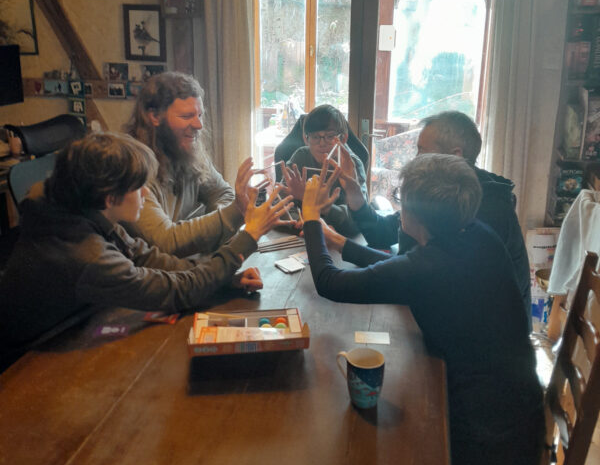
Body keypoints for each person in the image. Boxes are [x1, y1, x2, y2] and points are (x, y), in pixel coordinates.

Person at [301, 155, 545, 465]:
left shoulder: (431, 266)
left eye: (401, 199)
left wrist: (310, 218)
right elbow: (402, 271)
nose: (398, 206)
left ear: (416, 215)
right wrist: (338, 243)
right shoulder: (476, 235)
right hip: (515, 425)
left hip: (485, 462)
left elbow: (329, 283)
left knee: (358, 459)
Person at [0, 133, 293, 351]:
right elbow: (177, 292)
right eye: (139, 186)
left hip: (77, 322)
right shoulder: (86, 255)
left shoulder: (81, 209)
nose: (145, 195)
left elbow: (147, 258)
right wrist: (247, 237)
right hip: (27, 357)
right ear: (109, 197)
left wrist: (225, 279)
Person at [340, 111, 532, 326]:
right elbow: (383, 234)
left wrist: (335, 242)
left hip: (485, 335)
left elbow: (411, 273)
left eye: (422, 151)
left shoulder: (484, 209)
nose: (415, 159)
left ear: (455, 155)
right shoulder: (443, 192)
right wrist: (356, 199)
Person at [125, 71, 250, 257]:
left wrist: (217, 230)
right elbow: (165, 241)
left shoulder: (187, 151)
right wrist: (234, 212)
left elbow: (222, 193)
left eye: (200, 115)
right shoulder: (131, 166)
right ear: (155, 117)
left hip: (186, 268)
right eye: (186, 116)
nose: (199, 125)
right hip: (150, 272)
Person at [281, 104, 368, 237]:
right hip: (303, 234)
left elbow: (359, 219)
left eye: (330, 136)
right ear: (306, 139)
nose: (322, 143)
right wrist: (299, 220)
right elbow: (279, 202)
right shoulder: (300, 157)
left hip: (340, 238)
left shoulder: (351, 165)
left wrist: (316, 213)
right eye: (315, 137)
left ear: (343, 138)